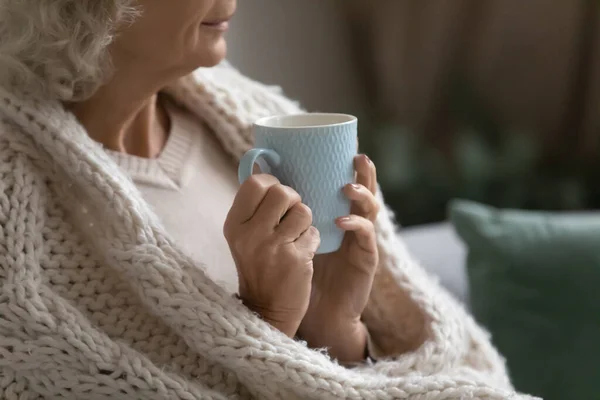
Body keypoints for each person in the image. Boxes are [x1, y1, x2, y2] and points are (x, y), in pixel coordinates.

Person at [0, 1, 533, 399]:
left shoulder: (260, 119)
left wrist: (333, 327)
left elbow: (402, 363)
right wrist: (267, 317)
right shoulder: (16, 207)